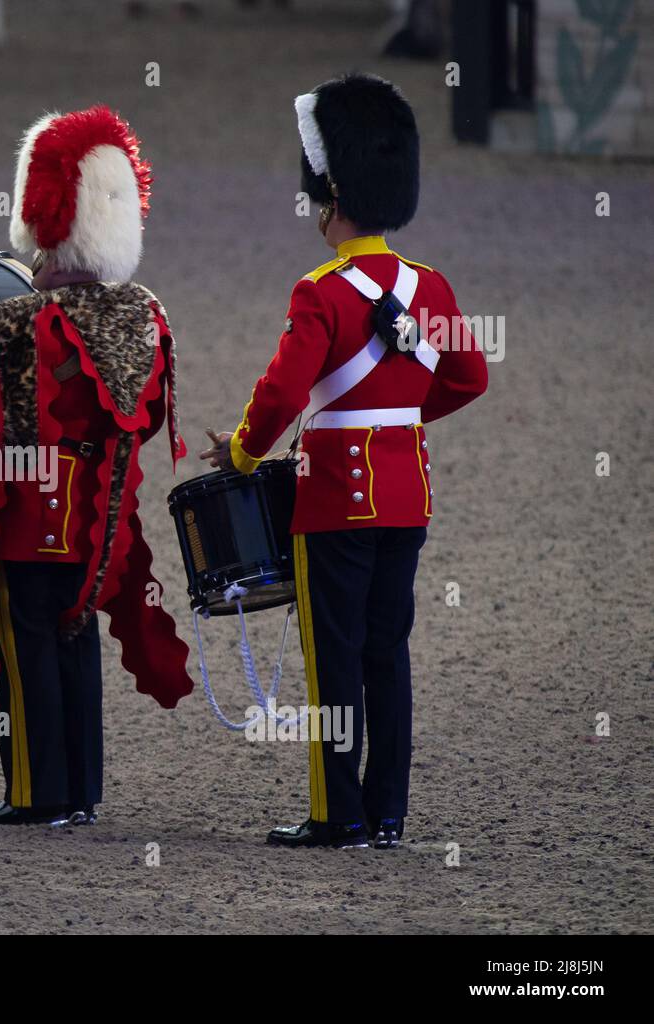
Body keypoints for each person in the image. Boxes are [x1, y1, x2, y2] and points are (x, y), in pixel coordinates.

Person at [202, 73, 487, 849]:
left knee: (335, 661)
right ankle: (387, 813)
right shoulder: (429, 286)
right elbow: (469, 377)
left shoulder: (321, 290)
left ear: (331, 194)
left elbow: (280, 395)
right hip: (407, 493)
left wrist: (239, 450)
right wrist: (397, 420)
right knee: (387, 654)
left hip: (335, 499)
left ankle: (337, 814)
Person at [0, 106, 193, 827]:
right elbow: (145, 421)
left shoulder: (17, 322)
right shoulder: (142, 315)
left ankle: (33, 790)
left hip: (30, 508)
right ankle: (81, 790)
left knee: (26, 648)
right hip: (99, 511)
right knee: (76, 635)